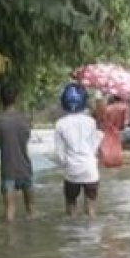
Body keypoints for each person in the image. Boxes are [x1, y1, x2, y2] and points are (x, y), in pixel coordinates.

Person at [54, 83, 103, 217]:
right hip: (90, 170)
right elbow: (94, 148)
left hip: (72, 171)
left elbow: (60, 154)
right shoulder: (91, 122)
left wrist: (67, 164)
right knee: (91, 210)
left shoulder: (60, 124)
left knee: (71, 208)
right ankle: (92, 236)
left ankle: (73, 236)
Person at [0, 83, 34, 222]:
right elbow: (25, 138)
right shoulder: (26, 119)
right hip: (25, 169)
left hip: (8, 170)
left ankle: (9, 242)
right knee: (31, 211)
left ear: (1, 99)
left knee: (9, 212)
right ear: (16, 98)